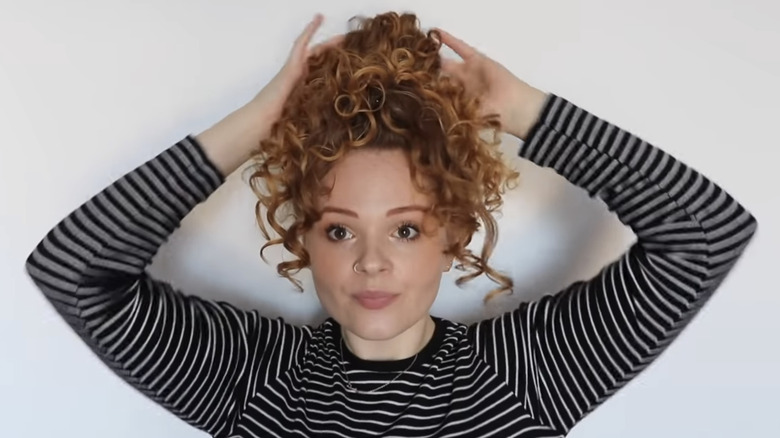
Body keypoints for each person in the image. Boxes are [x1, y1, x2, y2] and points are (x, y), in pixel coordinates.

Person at [24, 11, 757, 438]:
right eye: (339, 230)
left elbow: (704, 235)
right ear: (303, 237)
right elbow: (74, 270)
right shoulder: (251, 379)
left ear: (454, 234)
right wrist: (255, 127)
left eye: (405, 229)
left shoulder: (523, 377)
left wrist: (527, 110)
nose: (370, 263)